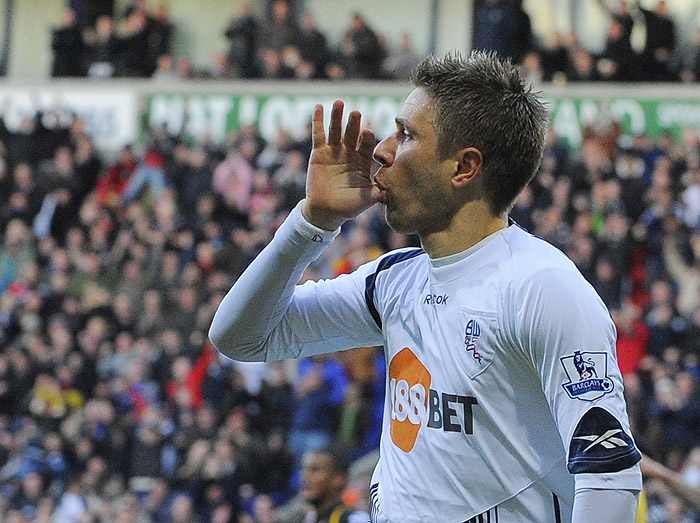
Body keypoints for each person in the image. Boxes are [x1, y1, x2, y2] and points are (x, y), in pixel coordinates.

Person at [210, 51, 642, 522]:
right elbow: (240, 337)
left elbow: (610, 474)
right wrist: (311, 223)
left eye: (407, 134)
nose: (382, 150)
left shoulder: (541, 287)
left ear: (464, 167)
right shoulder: (394, 282)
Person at [299, 446, 369, 523]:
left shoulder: (355, 520)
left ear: (338, 478)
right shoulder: (308, 519)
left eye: (315, 470)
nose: (305, 477)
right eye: (304, 469)